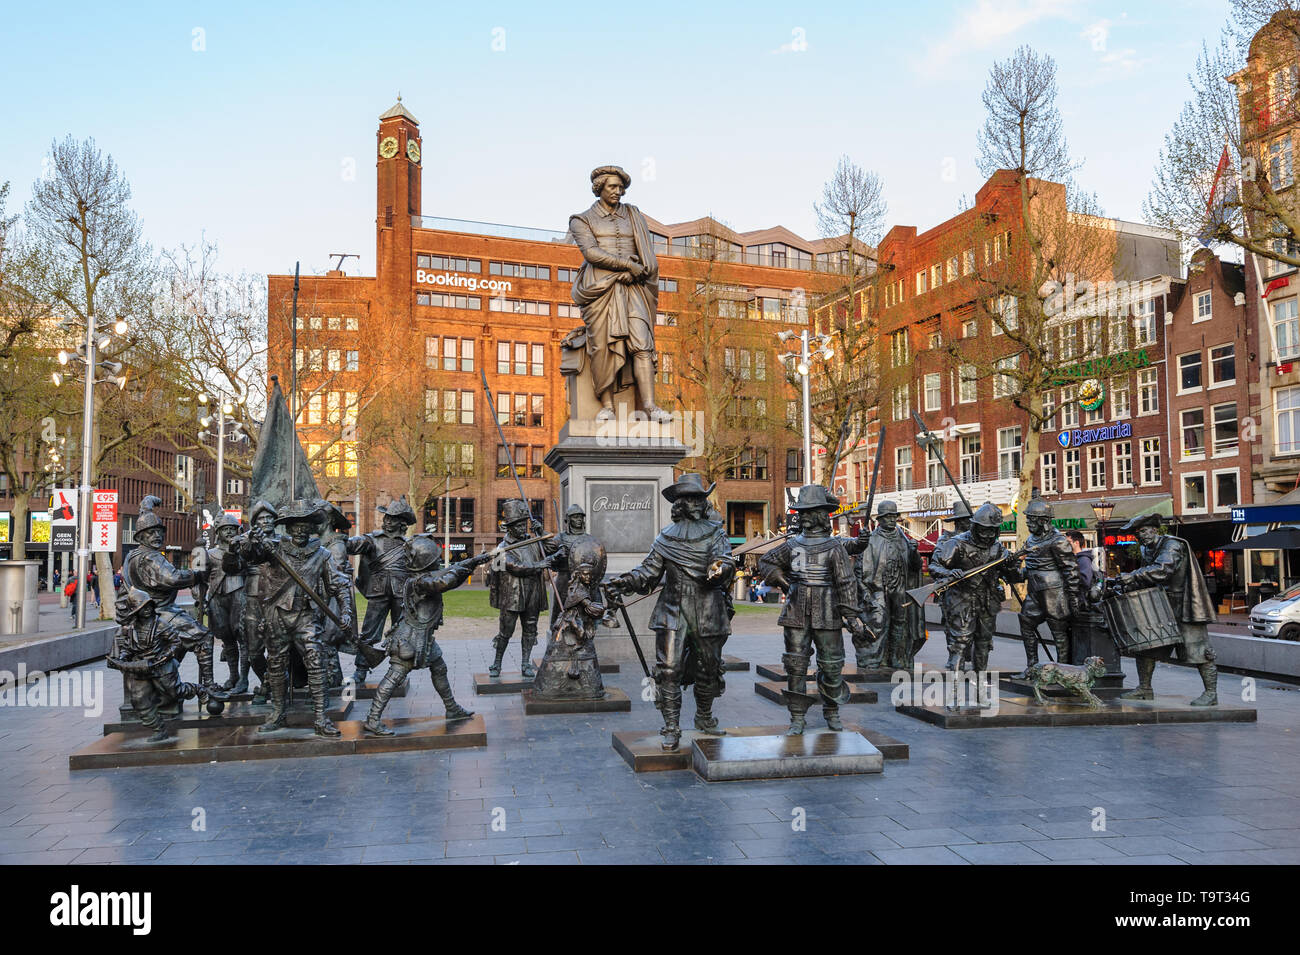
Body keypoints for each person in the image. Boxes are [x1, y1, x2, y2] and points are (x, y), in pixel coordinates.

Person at [608, 474, 735, 751]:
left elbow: (725, 561)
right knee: (668, 670)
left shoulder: (715, 533)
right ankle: (671, 726)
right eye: (690, 498)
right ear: (679, 503)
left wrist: (720, 569)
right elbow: (649, 572)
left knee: (708, 668)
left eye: (699, 498)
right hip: (672, 610)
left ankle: (703, 716)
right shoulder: (665, 537)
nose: (697, 503)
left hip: (707, 608)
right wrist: (626, 581)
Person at [238, 499, 353, 737]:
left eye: (305, 524)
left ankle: (321, 717)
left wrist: (347, 611)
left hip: (306, 616)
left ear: (312, 526)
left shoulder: (321, 554)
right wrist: (251, 537)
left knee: (316, 661)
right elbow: (249, 552)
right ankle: (278, 712)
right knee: (276, 664)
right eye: (294, 524)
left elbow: (339, 584)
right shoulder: (274, 549)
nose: (300, 529)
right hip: (277, 616)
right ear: (287, 527)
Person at [567, 164, 672, 423]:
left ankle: (649, 406)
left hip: (632, 287)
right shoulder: (581, 220)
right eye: (613, 187)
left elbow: (647, 253)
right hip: (600, 290)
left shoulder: (634, 215)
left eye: (621, 187)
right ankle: (607, 407)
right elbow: (591, 253)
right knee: (602, 346)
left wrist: (636, 270)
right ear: (599, 188)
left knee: (642, 343)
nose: (618, 192)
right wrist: (627, 265)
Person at [758, 485, 864, 734]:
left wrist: (851, 615)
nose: (802, 516)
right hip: (796, 610)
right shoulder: (792, 544)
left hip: (827, 610)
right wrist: (783, 581)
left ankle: (832, 711)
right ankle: (797, 717)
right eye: (800, 512)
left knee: (831, 664)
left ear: (819, 515)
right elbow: (766, 561)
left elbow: (846, 582)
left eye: (808, 512)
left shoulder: (835, 546)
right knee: (795, 665)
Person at [362, 536, 488, 735]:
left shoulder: (421, 577)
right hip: (410, 639)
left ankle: (451, 708)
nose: (439, 561)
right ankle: (372, 718)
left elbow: (447, 577)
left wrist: (471, 563)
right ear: (426, 561)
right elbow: (446, 581)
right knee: (394, 678)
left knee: (439, 668)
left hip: (424, 637)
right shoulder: (420, 582)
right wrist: (468, 566)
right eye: (435, 559)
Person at [1111, 514, 1219, 705]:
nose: (1141, 536)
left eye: (1144, 531)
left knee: (1198, 649)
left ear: (1155, 530)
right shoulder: (1146, 549)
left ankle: (1211, 693)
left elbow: (1162, 570)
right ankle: (1145, 688)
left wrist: (1133, 576)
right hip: (1161, 605)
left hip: (1184, 606)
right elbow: (1148, 577)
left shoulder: (1172, 545)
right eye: (1138, 534)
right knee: (1146, 647)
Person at [929, 503, 1019, 673]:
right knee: (960, 643)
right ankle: (955, 688)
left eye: (992, 531)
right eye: (984, 530)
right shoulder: (956, 543)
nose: (988, 535)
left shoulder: (998, 548)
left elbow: (1012, 578)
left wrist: (1012, 566)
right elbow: (934, 567)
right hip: (961, 600)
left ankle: (980, 685)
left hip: (987, 602)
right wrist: (949, 573)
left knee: (984, 642)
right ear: (975, 527)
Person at [346, 496, 417, 685]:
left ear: (402, 523)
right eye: (386, 518)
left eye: (391, 519)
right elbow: (353, 544)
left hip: (401, 594)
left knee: (401, 634)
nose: (386, 521)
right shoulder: (372, 540)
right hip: (378, 591)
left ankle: (398, 671)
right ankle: (360, 669)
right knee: (368, 632)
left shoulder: (410, 544)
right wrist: (341, 540)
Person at [850, 500, 924, 670]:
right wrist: (865, 593)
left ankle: (897, 657)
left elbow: (916, 567)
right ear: (880, 519)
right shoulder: (871, 540)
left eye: (894, 517)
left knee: (900, 622)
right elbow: (859, 571)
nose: (892, 520)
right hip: (878, 588)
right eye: (888, 517)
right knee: (878, 622)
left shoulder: (905, 540)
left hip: (900, 588)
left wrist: (914, 552)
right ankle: (874, 658)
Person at [1014, 498, 1082, 677]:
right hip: (1035, 593)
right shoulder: (1030, 539)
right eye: (1027, 519)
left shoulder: (1058, 540)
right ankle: (1032, 668)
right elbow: (1028, 567)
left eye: (1031, 519)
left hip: (1054, 594)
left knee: (1058, 633)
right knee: (1026, 624)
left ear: (1043, 521)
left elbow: (1071, 569)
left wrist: (1073, 597)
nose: (1027, 523)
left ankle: (1062, 672)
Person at [486, 500, 551, 679]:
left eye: (524, 524)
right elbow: (516, 566)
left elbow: (553, 548)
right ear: (510, 527)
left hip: (533, 594)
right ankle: (497, 663)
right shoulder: (502, 547)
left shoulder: (534, 541)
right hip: (512, 595)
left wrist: (541, 532)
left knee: (530, 629)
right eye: (518, 525)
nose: (523, 528)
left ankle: (525, 663)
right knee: (506, 631)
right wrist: (540, 565)